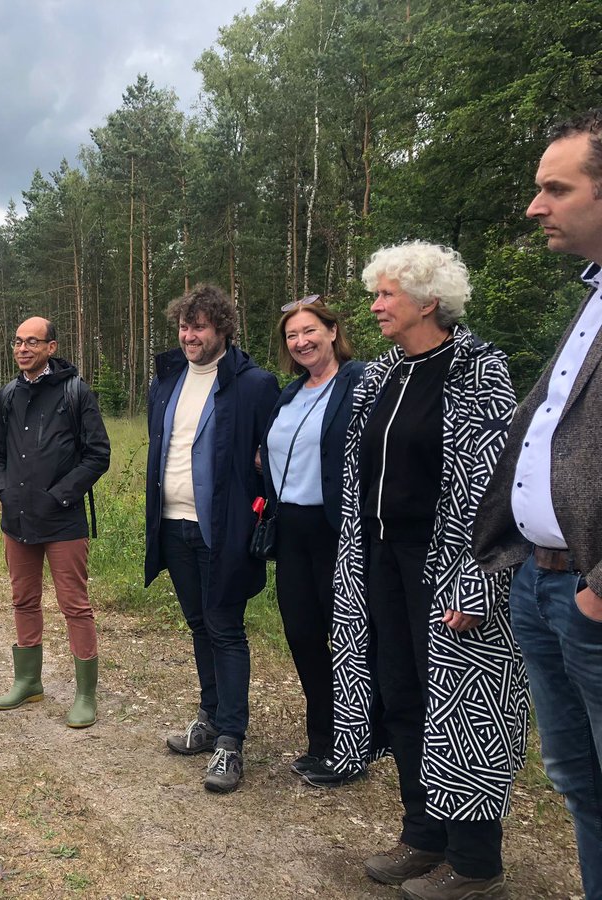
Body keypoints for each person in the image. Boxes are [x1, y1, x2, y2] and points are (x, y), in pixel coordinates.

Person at [330, 242, 527, 900]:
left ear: (427, 301)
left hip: (448, 567)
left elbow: (498, 485)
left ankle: (476, 864)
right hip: (383, 560)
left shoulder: (478, 370)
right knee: (405, 695)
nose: (375, 305)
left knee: (465, 709)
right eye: (376, 293)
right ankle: (423, 836)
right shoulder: (385, 372)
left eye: (387, 294)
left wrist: (480, 581)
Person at [474, 108, 602, 900]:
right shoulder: (591, 300)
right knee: (578, 783)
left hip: (588, 595)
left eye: (554, 188)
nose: (534, 206)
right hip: (542, 584)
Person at [145, 284, 280, 793]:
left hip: (224, 531)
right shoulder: (169, 381)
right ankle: (208, 716)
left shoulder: (253, 384)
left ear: (223, 329)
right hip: (174, 524)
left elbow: (272, 458)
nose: (188, 335)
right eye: (184, 325)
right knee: (199, 624)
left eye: (199, 326)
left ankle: (230, 741)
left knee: (225, 627)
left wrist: (259, 507)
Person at [0, 316, 110, 727]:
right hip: (16, 520)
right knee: (23, 600)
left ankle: (86, 694)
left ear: (51, 348)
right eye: (18, 342)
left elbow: (97, 454)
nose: (23, 349)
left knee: (75, 605)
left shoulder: (76, 393)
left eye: (32, 342)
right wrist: (2, 491)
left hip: (63, 521)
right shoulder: (6, 396)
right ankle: (28, 682)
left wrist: (61, 495)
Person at [258, 296, 363, 784]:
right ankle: (321, 739)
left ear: (333, 330)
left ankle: (351, 746)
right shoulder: (290, 392)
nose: (300, 342)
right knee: (302, 637)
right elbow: (274, 447)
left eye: (309, 331)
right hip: (291, 532)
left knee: (348, 643)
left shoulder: (361, 382)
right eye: (291, 336)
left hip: (337, 531)